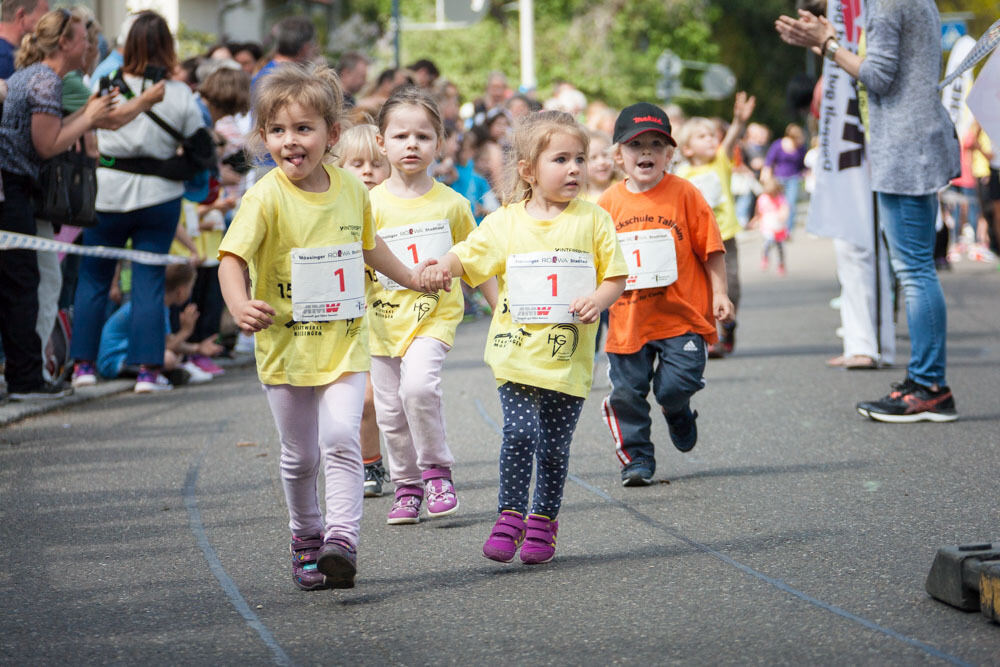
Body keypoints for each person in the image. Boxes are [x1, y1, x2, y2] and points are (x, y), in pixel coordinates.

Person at [217, 63, 428, 591]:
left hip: (343, 342)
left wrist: (410, 276)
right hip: (286, 348)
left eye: (304, 128)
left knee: (340, 436)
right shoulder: (265, 196)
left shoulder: (353, 192)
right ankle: (305, 535)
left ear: (331, 135)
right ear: (264, 137)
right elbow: (230, 259)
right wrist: (240, 305)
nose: (292, 141)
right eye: (279, 130)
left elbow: (370, 247)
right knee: (299, 454)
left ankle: (342, 540)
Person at [420, 110, 628, 564]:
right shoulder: (505, 222)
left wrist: (599, 298)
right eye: (561, 159)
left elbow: (616, 277)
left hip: (569, 358)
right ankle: (509, 516)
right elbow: (468, 254)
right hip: (515, 353)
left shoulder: (594, 220)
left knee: (554, 448)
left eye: (580, 159)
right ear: (529, 170)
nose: (574, 168)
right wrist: (443, 266)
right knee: (518, 432)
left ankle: (543, 522)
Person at [777, 1, 961, 423]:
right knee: (914, 269)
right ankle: (925, 382)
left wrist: (826, 44)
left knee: (914, 270)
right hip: (910, 143)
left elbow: (878, 76)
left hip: (903, 146)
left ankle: (930, 386)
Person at [368, 86, 493, 525]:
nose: (411, 145)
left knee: (418, 388)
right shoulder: (367, 205)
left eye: (422, 136)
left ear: (438, 143)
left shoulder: (453, 203)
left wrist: (501, 312)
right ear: (380, 142)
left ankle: (437, 472)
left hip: (433, 317)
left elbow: (478, 261)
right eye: (400, 136)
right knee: (390, 410)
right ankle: (406, 486)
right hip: (380, 324)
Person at [597, 102, 733, 486]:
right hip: (629, 318)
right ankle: (637, 457)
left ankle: (677, 409)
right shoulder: (606, 204)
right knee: (626, 394)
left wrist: (719, 293)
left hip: (681, 315)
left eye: (656, 144)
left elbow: (712, 247)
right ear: (617, 155)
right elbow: (593, 258)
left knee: (675, 386)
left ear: (670, 154)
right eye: (635, 144)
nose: (646, 152)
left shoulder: (685, 194)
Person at [69, 10, 201, 394]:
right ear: (168, 47)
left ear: (126, 45)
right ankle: (147, 372)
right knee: (148, 281)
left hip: (107, 193)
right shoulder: (178, 94)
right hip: (159, 198)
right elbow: (199, 146)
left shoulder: (104, 84)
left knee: (92, 278)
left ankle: (83, 366)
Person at [0, 8, 123, 400]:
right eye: (83, 37)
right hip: (13, 190)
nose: (90, 44)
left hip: (19, 190)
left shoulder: (35, 77)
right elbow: (47, 144)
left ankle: (27, 375)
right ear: (66, 43)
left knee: (26, 282)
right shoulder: (44, 82)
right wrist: (89, 116)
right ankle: (25, 379)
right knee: (22, 285)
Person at [674, 91, 756, 357]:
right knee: (701, 290)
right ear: (686, 148)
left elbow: (730, 138)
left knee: (731, 287)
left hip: (724, 238)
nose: (710, 140)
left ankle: (728, 326)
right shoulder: (681, 175)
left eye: (712, 135)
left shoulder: (720, 161)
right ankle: (712, 336)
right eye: (702, 137)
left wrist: (738, 121)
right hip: (696, 243)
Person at [336, 123, 391, 497]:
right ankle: (370, 463)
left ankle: (418, 466)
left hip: (394, 317)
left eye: (376, 163)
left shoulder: (397, 208)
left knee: (400, 401)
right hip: (349, 318)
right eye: (358, 164)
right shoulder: (337, 208)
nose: (368, 171)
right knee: (364, 399)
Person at [96, 262, 215, 387]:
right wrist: (186, 331)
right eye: (191, 287)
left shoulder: (159, 304)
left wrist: (198, 348)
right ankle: (154, 375)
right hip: (115, 361)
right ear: (181, 291)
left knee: (175, 354)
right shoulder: (156, 307)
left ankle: (162, 374)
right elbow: (168, 345)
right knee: (168, 358)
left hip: (125, 357)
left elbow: (168, 341)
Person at [761, 123, 806, 235]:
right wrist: (766, 173)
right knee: (778, 203)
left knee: (790, 203)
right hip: (778, 178)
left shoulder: (800, 148)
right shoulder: (778, 144)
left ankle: (788, 230)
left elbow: (802, 164)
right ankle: (776, 227)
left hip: (793, 178)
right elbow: (769, 161)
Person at [753, 174, 789, 275]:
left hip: (778, 226)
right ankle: (765, 257)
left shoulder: (780, 198)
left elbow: (784, 209)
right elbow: (758, 212)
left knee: (780, 247)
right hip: (767, 225)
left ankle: (781, 264)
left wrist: (783, 215)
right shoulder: (763, 199)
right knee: (767, 243)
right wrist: (755, 220)